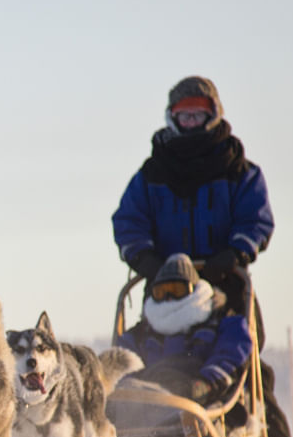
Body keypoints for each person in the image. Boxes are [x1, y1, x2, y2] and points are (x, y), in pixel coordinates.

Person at [112, 76, 274, 320]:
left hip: (225, 281)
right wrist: (145, 259)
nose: (190, 122)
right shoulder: (152, 174)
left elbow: (255, 220)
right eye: (184, 115)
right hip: (164, 285)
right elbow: (129, 221)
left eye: (197, 114)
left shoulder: (238, 170)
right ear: (173, 117)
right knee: (143, 349)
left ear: (213, 114)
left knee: (243, 343)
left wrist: (235, 253)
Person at [117, 253, 293, 437]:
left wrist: (206, 383)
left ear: (193, 290)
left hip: (199, 393)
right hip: (149, 397)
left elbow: (231, 352)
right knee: (121, 401)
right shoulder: (142, 333)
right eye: (161, 292)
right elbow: (120, 362)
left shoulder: (219, 322)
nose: (169, 298)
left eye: (177, 290)